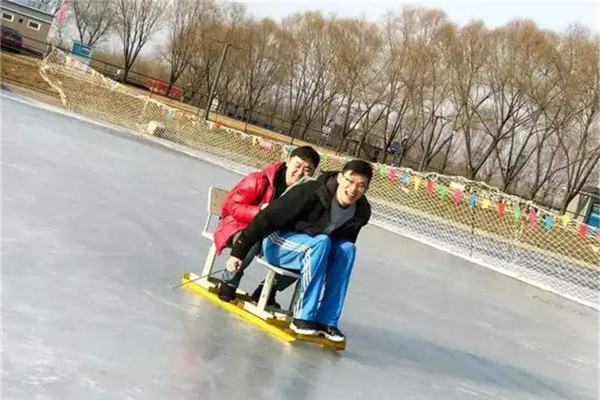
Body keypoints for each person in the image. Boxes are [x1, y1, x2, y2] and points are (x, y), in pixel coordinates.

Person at [226, 160, 372, 342]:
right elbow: (267, 217)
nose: (353, 189)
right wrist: (238, 252)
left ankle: (327, 320)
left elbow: (342, 245)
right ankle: (303, 316)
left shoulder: (361, 211)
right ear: (340, 178)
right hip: (276, 242)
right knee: (321, 242)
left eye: (361, 186)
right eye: (350, 181)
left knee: (348, 249)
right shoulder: (310, 191)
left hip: (314, 248)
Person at [214, 146, 321, 304]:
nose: (299, 173)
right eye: (297, 166)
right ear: (288, 162)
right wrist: (259, 212)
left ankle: (267, 290)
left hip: (274, 237)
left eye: (307, 170)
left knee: (302, 254)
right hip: (239, 227)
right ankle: (229, 282)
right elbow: (232, 206)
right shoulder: (259, 180)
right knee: (253, 239)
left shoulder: (306, 195)